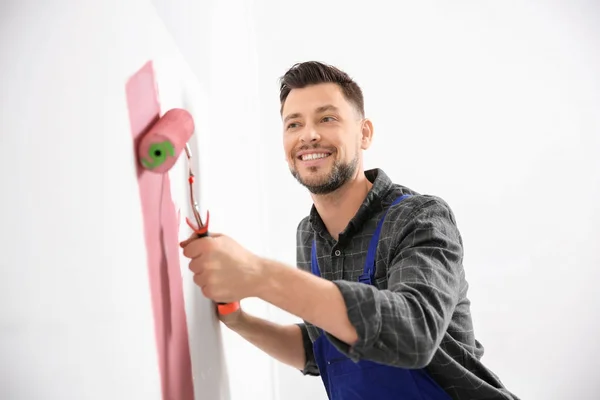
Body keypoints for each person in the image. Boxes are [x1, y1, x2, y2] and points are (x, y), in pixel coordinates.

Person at [180, 61, 519, 400]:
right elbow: (322, 349)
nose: (308, 135)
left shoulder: (420, 218)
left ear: (364, 133)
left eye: (327, 119)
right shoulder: (309, 237)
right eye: (293, 124)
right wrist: (238, 319)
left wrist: (259, 275)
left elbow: (414, 332)